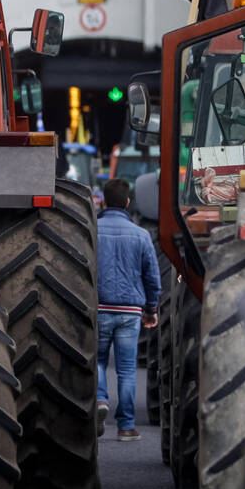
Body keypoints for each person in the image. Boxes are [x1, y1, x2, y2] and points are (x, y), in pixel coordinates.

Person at [95, 177, 160, 441]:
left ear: (103, 201)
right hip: (130, 312)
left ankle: (100, 399)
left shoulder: (91, 231)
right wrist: (151, 308)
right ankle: (126, 427)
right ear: (128, 202)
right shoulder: (141, 235)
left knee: (97, 360)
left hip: (98, 308)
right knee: (126, 370)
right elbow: (152, 277)